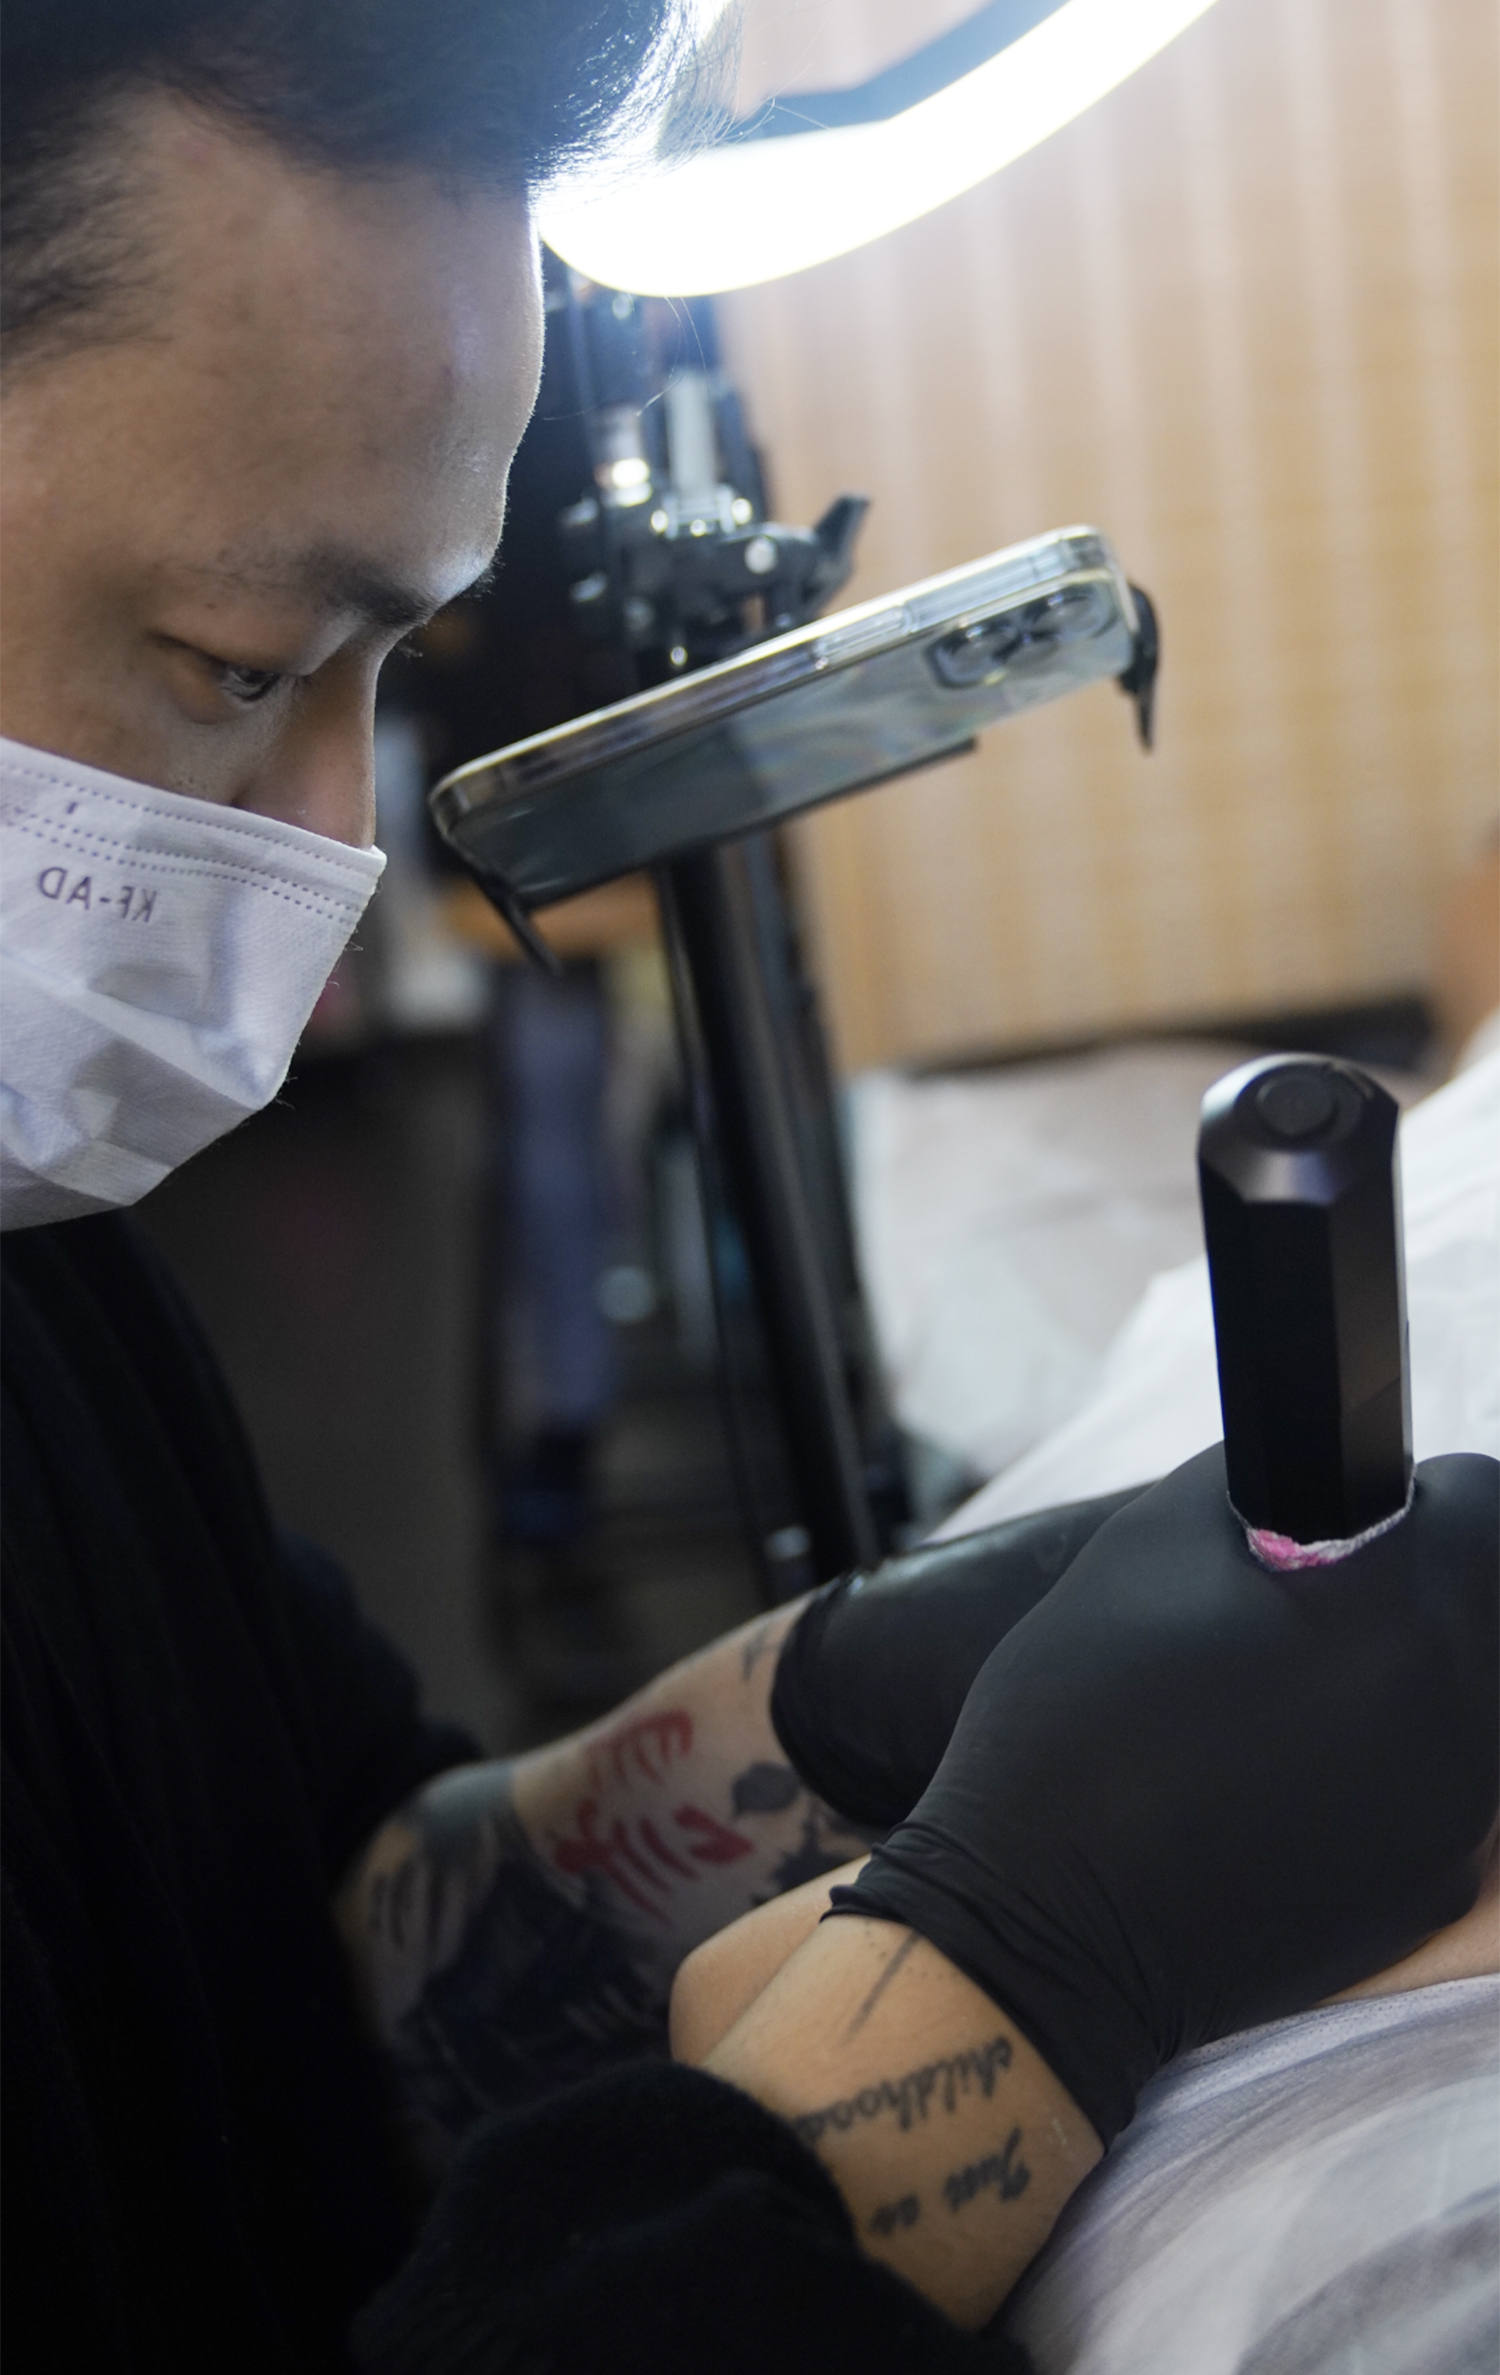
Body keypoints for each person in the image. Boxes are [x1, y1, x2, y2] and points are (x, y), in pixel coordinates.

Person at [2, 6, 1495, 2370]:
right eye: (228, 663)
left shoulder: (41, 1281)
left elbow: (333, 1940)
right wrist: (1015, 1974)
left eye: (381, 678)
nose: (325, 875)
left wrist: (829, 1717)